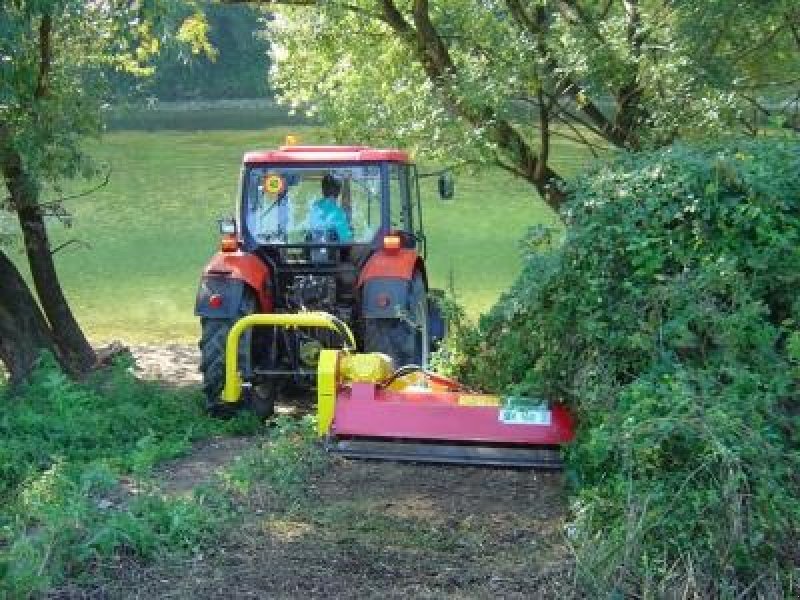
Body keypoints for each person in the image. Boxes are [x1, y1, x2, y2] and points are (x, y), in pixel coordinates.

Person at [307, 174, 353, 242]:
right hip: (330, 250)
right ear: (339, 191)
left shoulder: (315, 207)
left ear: (323, 191)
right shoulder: (338, 213)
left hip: (315, 248)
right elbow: (347, 240)